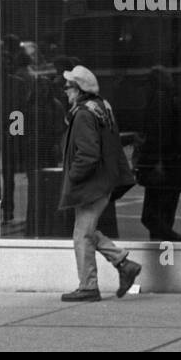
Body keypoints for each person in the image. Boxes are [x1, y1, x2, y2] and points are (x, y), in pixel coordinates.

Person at [58, 65, 141, 301]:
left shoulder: (84, 114)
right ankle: (124, 263)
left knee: (81, 235)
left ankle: (88, 286)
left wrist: (73, 177)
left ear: (79, 89)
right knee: (87, 231)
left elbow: (88, 154)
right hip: (103, 182)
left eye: (68, 87)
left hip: (91, 185)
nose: (65, 92)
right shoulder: (102, 107)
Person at [138, 66, 181, 241]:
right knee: (164, 217)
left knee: (151, 217)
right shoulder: (174, 100)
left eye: (148, 82)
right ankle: (163, 260)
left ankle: (176, 242)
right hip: (176, 166)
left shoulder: (159, 102)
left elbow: (160, 135)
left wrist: (156, 161)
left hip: (162, 167)